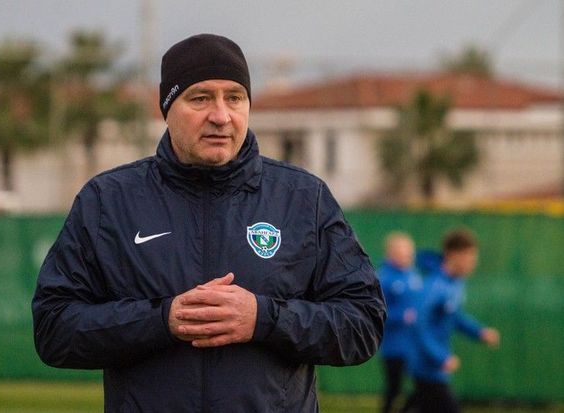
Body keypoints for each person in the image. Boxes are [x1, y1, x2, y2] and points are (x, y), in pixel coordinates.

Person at [31, 33, 387, 412]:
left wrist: (264, 318)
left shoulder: (303, 199)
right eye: (200, 98)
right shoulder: (108, 201)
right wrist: (162, 320)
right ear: (167, 109)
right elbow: (54, 328)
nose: (221, 116)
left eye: (234, 97)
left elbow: (363, 322)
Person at [403, 228, 500, 413]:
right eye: (469, 258)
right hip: (426, 366)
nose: (473, 263)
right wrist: (440, 356)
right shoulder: (434, 285)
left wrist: (479, 332)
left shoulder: (455, 283)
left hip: (435, 369)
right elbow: (417, 324)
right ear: (453, 255)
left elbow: (454, 316)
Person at [377, 232, 422, 413]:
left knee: (424, 386)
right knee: (394, 389)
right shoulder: (383, 278)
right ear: (391, 253)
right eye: (402, 252)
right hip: (393, 346)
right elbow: (378, 314)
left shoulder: (414, 276)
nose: (406, 256)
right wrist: (402, 316)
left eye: (409, 252)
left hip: (415, 345)